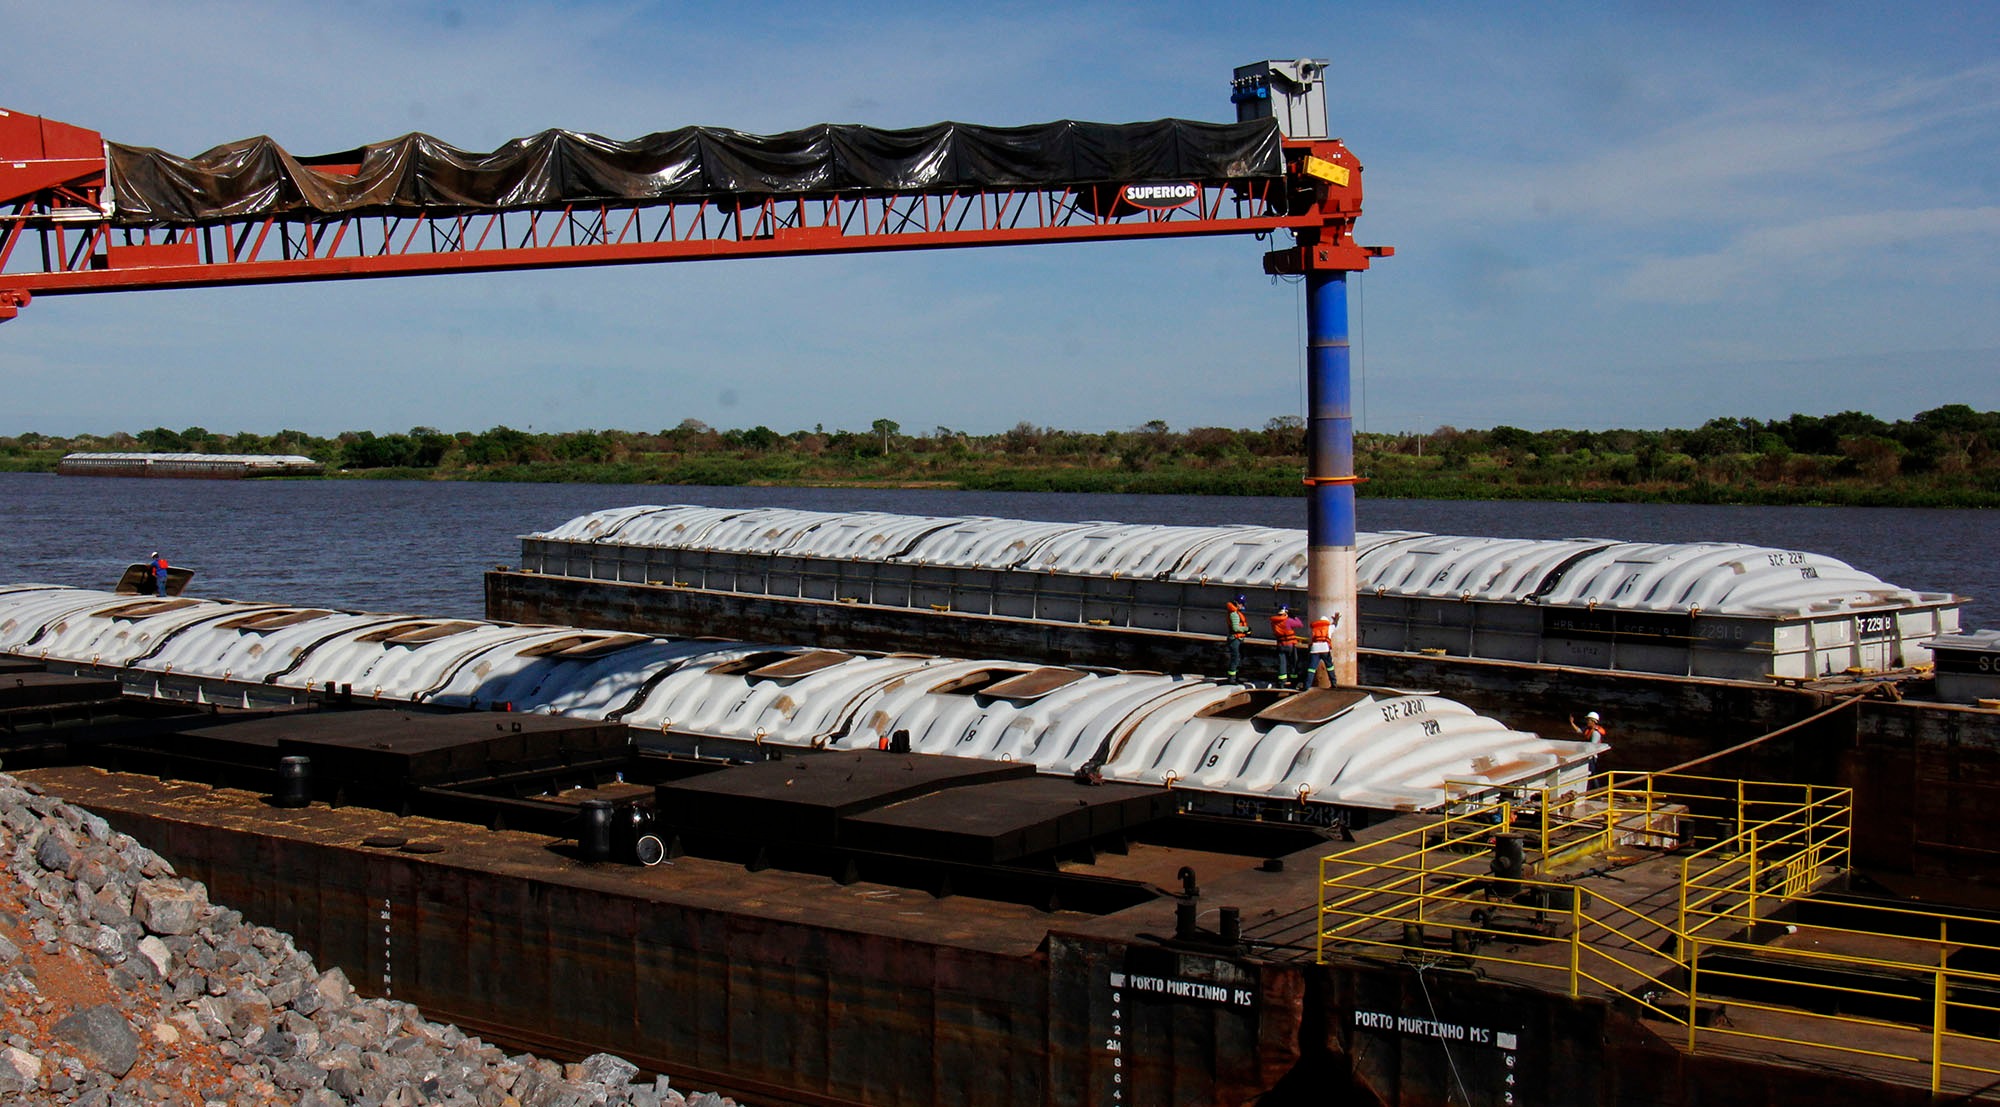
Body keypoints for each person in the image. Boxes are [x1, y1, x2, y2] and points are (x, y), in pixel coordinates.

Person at [1269, 604, 1305, 688]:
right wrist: (1294, 617)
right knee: (1293, 663)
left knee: (1282, 663)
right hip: (1290, 645)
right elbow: (1300, 624)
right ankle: (1294, 682)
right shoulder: (1288, 621)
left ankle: (1282, 682)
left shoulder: (1274, 622)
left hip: (1280, 645)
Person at [1223, 593, 1250, 681]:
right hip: (1235, 639)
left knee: (1238, 658)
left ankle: (1235, 676)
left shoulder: (1236, 612)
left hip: (1238, 638)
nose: (1242, 606)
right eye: (1241, 604)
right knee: (1235, 657)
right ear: (1238, 603)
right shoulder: (1234, 614)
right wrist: (1246, 629)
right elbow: (1235, 627)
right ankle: (1232, 677)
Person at [1307, 610, 1338, 688]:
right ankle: (1333, 683)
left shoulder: (1314, 628)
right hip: (1325, 649)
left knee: (1311, 669)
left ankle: (1307, 686)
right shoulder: (1329, 627)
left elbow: (1311, 640)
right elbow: (1335, 625)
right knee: (1330, 667)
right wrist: (1336, 620)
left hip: (1315, 649)